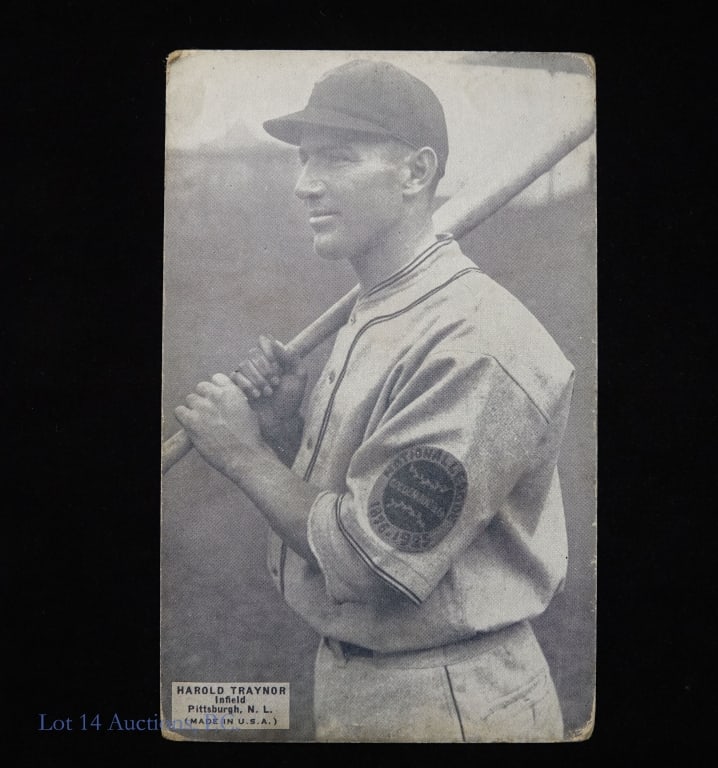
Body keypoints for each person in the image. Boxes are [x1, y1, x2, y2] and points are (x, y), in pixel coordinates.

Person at [174, 59, 575, 742]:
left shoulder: (475, 344)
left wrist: (243, 456)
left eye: (336, 158)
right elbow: (357, 499)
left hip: (451, 702)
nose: (304, 185)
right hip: (368, 682)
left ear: (416, 174)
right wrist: (278, 435)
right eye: (304, 160)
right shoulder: (384, 304)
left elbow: (367, 564)